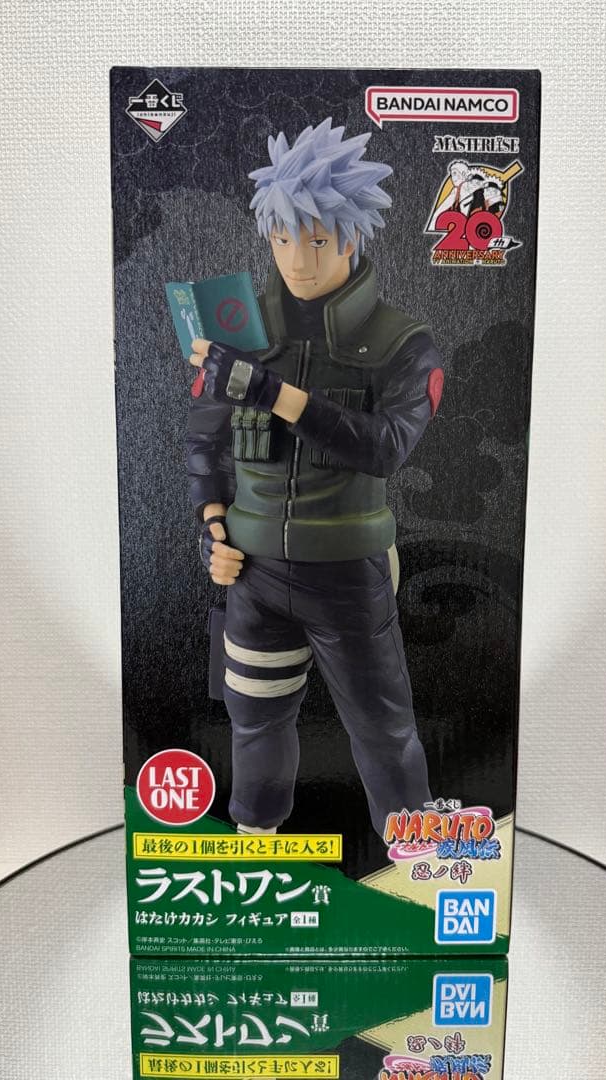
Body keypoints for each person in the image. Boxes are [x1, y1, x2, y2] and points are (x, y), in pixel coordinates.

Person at [185, 118, 444, 836]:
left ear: (352, 238)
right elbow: (204, 443)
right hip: (253, 574)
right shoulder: (237, 327)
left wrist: (274, 393)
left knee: (384, 733)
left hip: (349, 576)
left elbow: (386, 448)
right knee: (253, 725)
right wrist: (212, 528)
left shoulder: (403, 343)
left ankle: (418, 873)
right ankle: (255, 857)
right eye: (282, 238)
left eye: (318, 239)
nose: (297, 259)